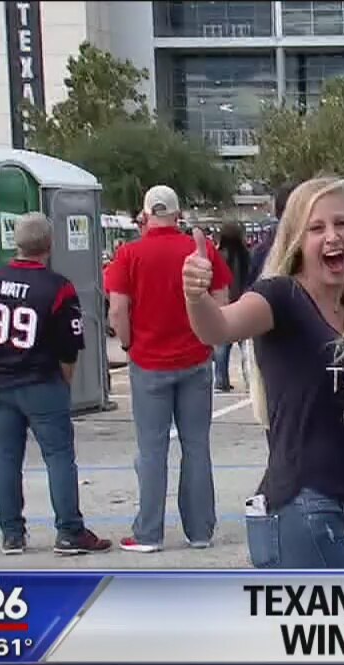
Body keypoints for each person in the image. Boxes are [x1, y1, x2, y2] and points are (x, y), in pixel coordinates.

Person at [181, 176, 344, 568]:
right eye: (316, 228)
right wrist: (195, 296)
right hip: (299, 510)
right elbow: (218, 327)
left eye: (341, 223)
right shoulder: (281, 297)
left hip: (325, 509)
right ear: (297, 241)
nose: (332, 236)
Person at [0, 212, 111, 555]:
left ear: (16, 243)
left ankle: (11, 534)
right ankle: (69, 531)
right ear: (49, 244)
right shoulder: (58, 287)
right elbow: (69, 347)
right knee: (58, 456)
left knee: (6, 459)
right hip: (41, 381)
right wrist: (64, 382)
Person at [106, 185, 231, 552]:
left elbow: (117, 310)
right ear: (178, 215)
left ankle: (149, 533)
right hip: (195, 358)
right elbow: (222, 298)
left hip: (148, 362)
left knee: (151, 449)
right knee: (196, 446)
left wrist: (128, 343)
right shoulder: (200, 250)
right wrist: (209, 337)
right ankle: (200, 530)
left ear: (145, 215)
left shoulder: (128, 254)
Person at [214, 221, 252, 392]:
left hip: (224, 304)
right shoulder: (246, 255)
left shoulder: (219, 255)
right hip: (244, 303)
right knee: (246, 348)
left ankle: (221, 380)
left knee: (222, 347)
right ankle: (249, 381)